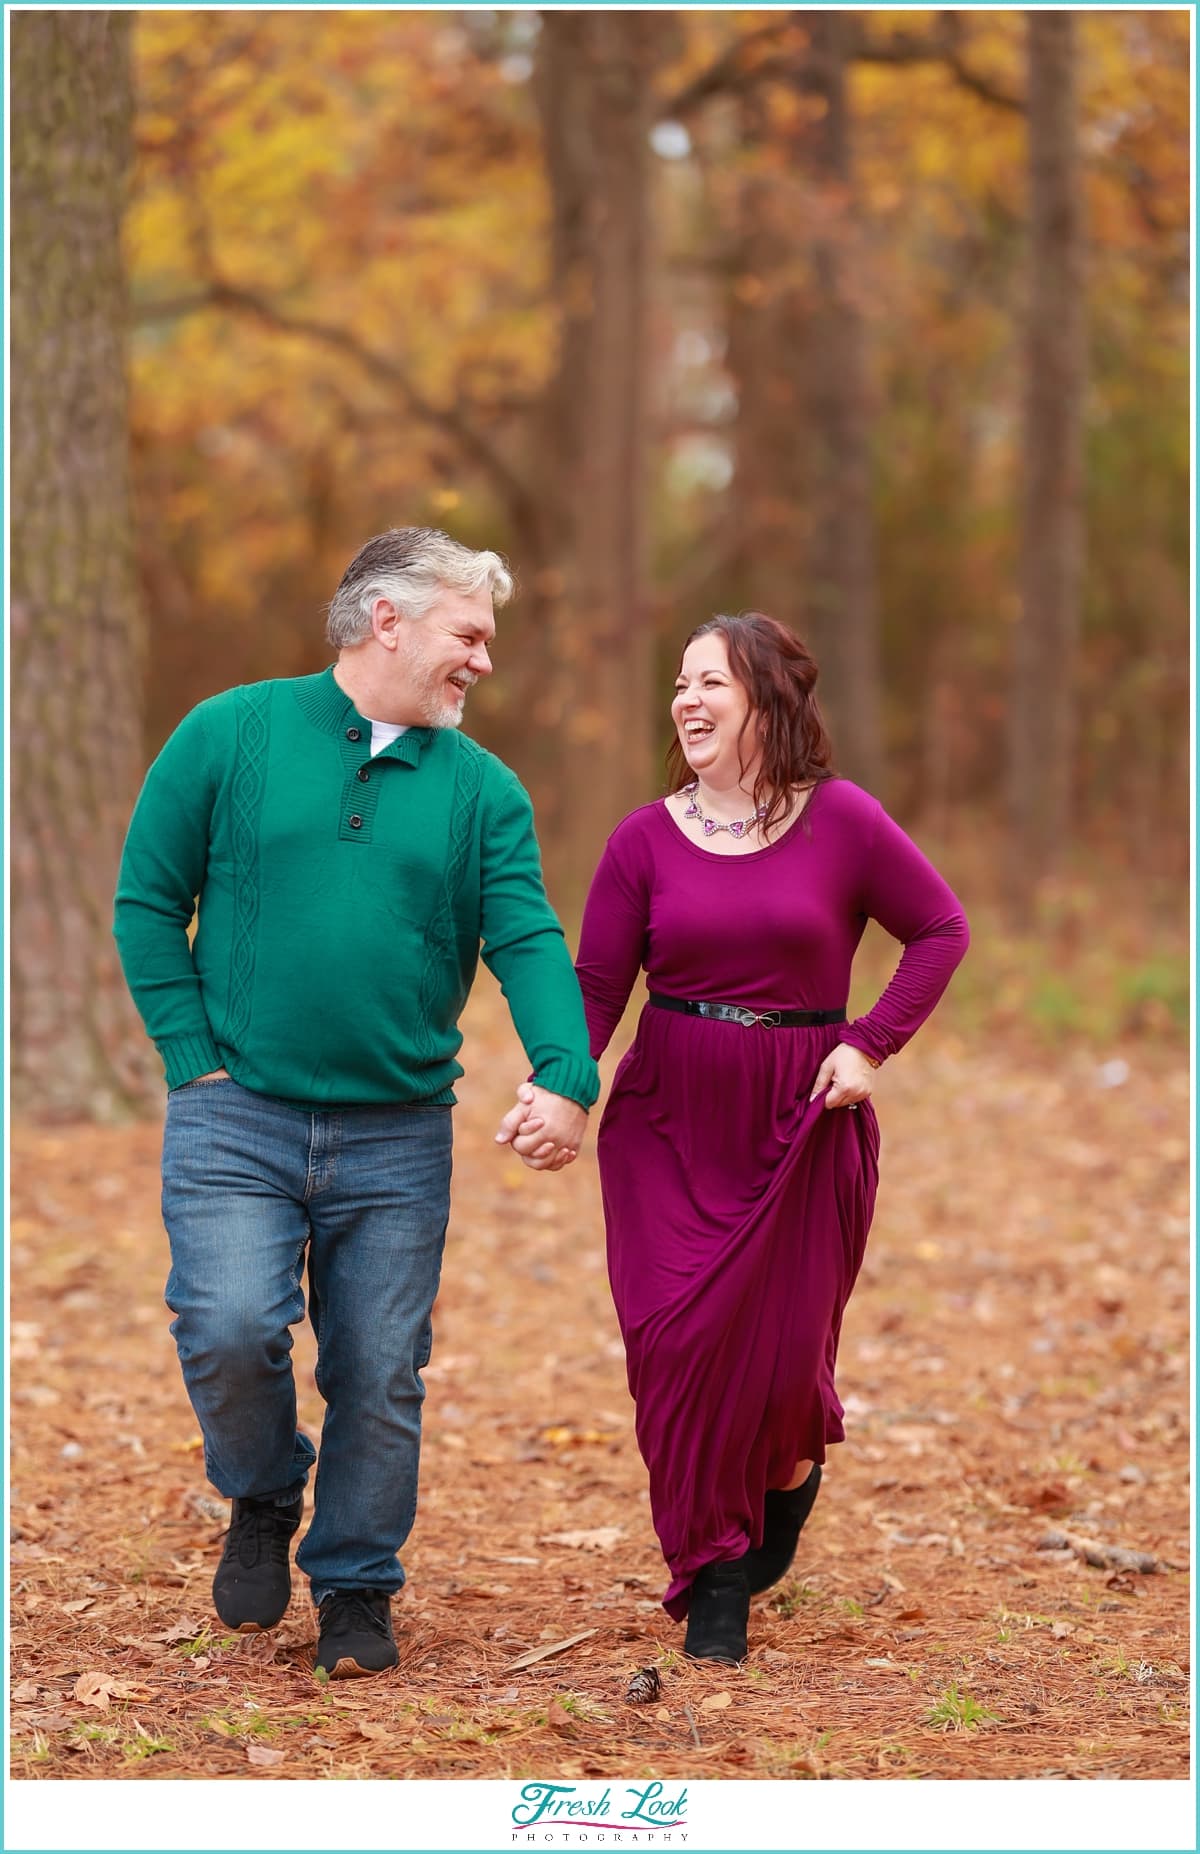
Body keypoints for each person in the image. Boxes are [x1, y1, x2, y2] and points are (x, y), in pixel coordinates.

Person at [113, 527, 593, 1680]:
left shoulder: (483, 791)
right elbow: (146, 902)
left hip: (397, 1130)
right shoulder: (229, 735)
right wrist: (191, 1056)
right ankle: (267, 1490)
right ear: (390, 620)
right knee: (227, 1326)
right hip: (239, 1113)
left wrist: (565, 1070)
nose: (482, 660)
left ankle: (357, 1586)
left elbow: (524, 935)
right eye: (468, 635)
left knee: (379, 1367)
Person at [499, 612, 968, 1665]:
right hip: (668, 1115)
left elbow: (940, 929)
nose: (686, 701)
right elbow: (598, 988)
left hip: (804, 1116)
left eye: (709, 681)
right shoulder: (643, 839)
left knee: (781, 1365)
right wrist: (560, 1087)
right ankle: (713, 1575)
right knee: (674, 1347)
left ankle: (788, 1476)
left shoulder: (842, 821)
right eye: (678, 684)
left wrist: (872, 1045)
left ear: (767, 698)